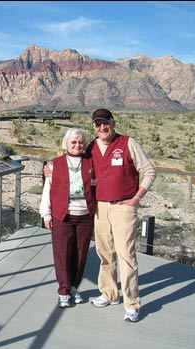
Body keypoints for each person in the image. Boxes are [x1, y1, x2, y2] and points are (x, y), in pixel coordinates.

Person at [45, 109, 157, 321]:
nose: (102, 128)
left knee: (126, 254)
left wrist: (137, 197)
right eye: (98, 125)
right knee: (105, 253)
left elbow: (149, 171)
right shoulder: (92, 146)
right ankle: (109, 293)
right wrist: (48, 166)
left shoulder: (128, 143)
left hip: (123, 206)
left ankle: (132, 303)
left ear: (113, 123)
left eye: (105, 123)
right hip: (99, 207)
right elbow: (72, 160)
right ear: (94, 127)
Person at [40, 128, 96, 308]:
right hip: (62, 216)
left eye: (80, 142)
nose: (77, 145)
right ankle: (63, 290)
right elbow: (47, 191)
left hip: (85, 216)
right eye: (73, 142)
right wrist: (46, 214)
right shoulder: (54, 165)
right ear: (66, 143)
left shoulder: (91, 163)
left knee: (80, 254)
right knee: (62, 253)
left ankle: (74, 287)